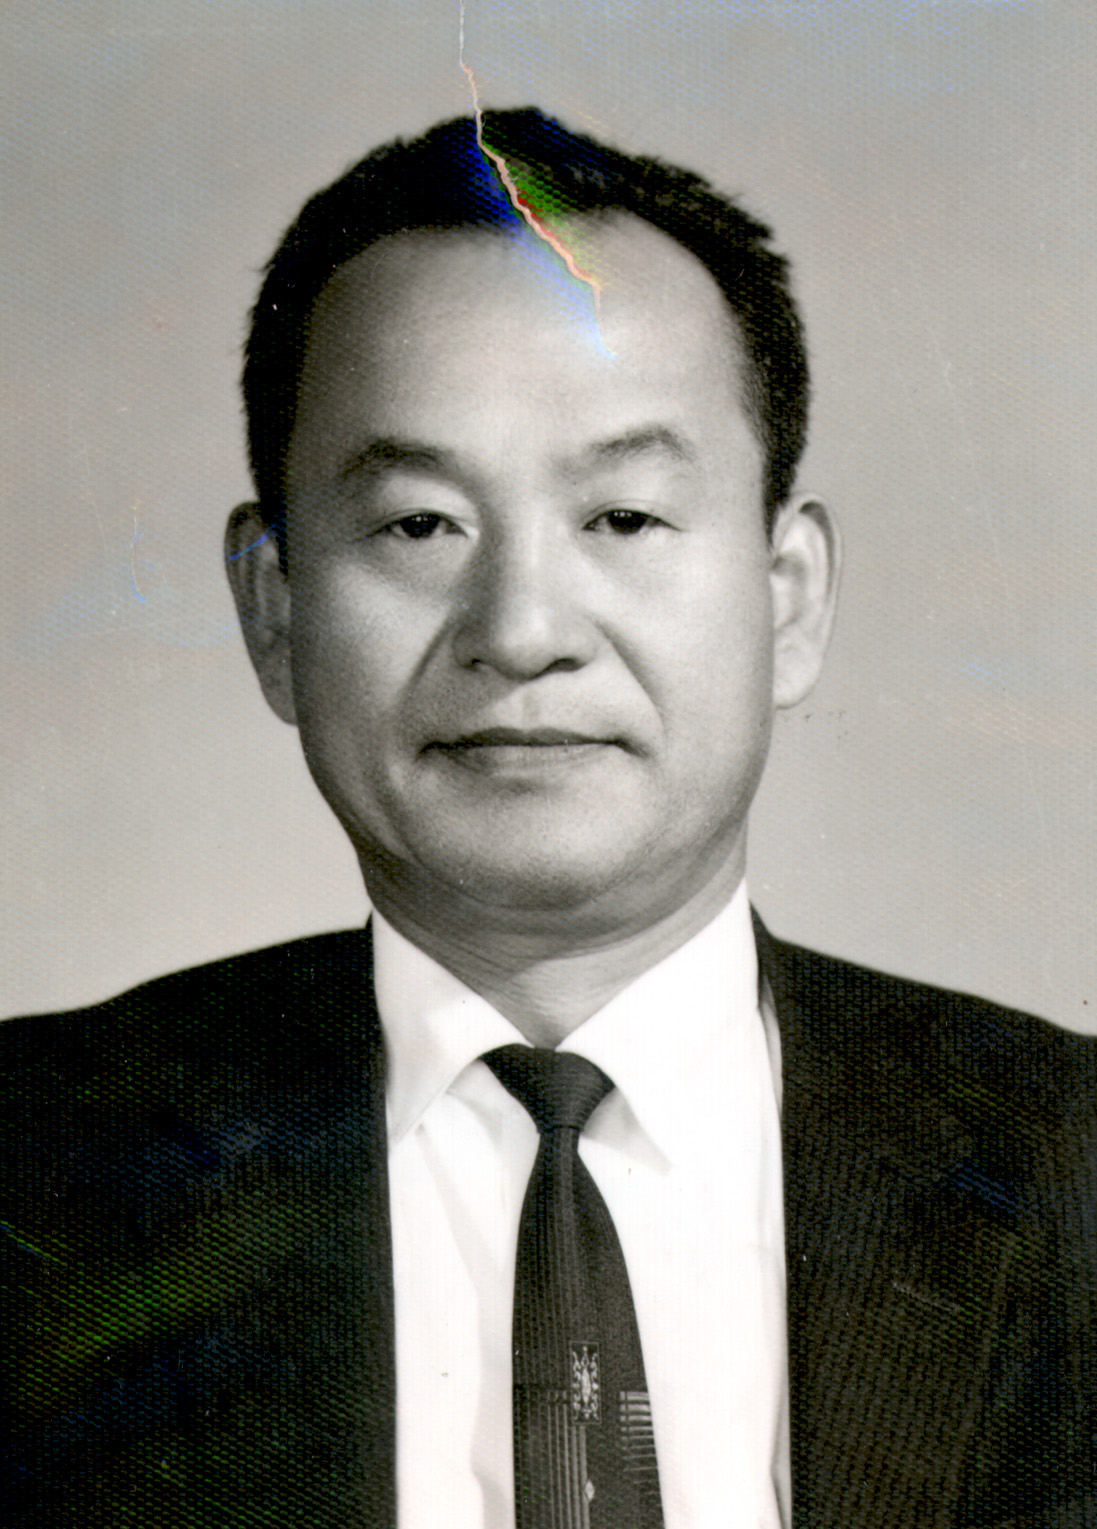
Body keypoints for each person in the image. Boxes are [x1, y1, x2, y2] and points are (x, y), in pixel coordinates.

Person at [2, 109, 1095, 1529]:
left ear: (788, 597)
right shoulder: (34, 1169)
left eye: (623, 518)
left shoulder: (1071, 1171)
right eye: (418, 525)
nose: (520, 632)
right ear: (274, 611)